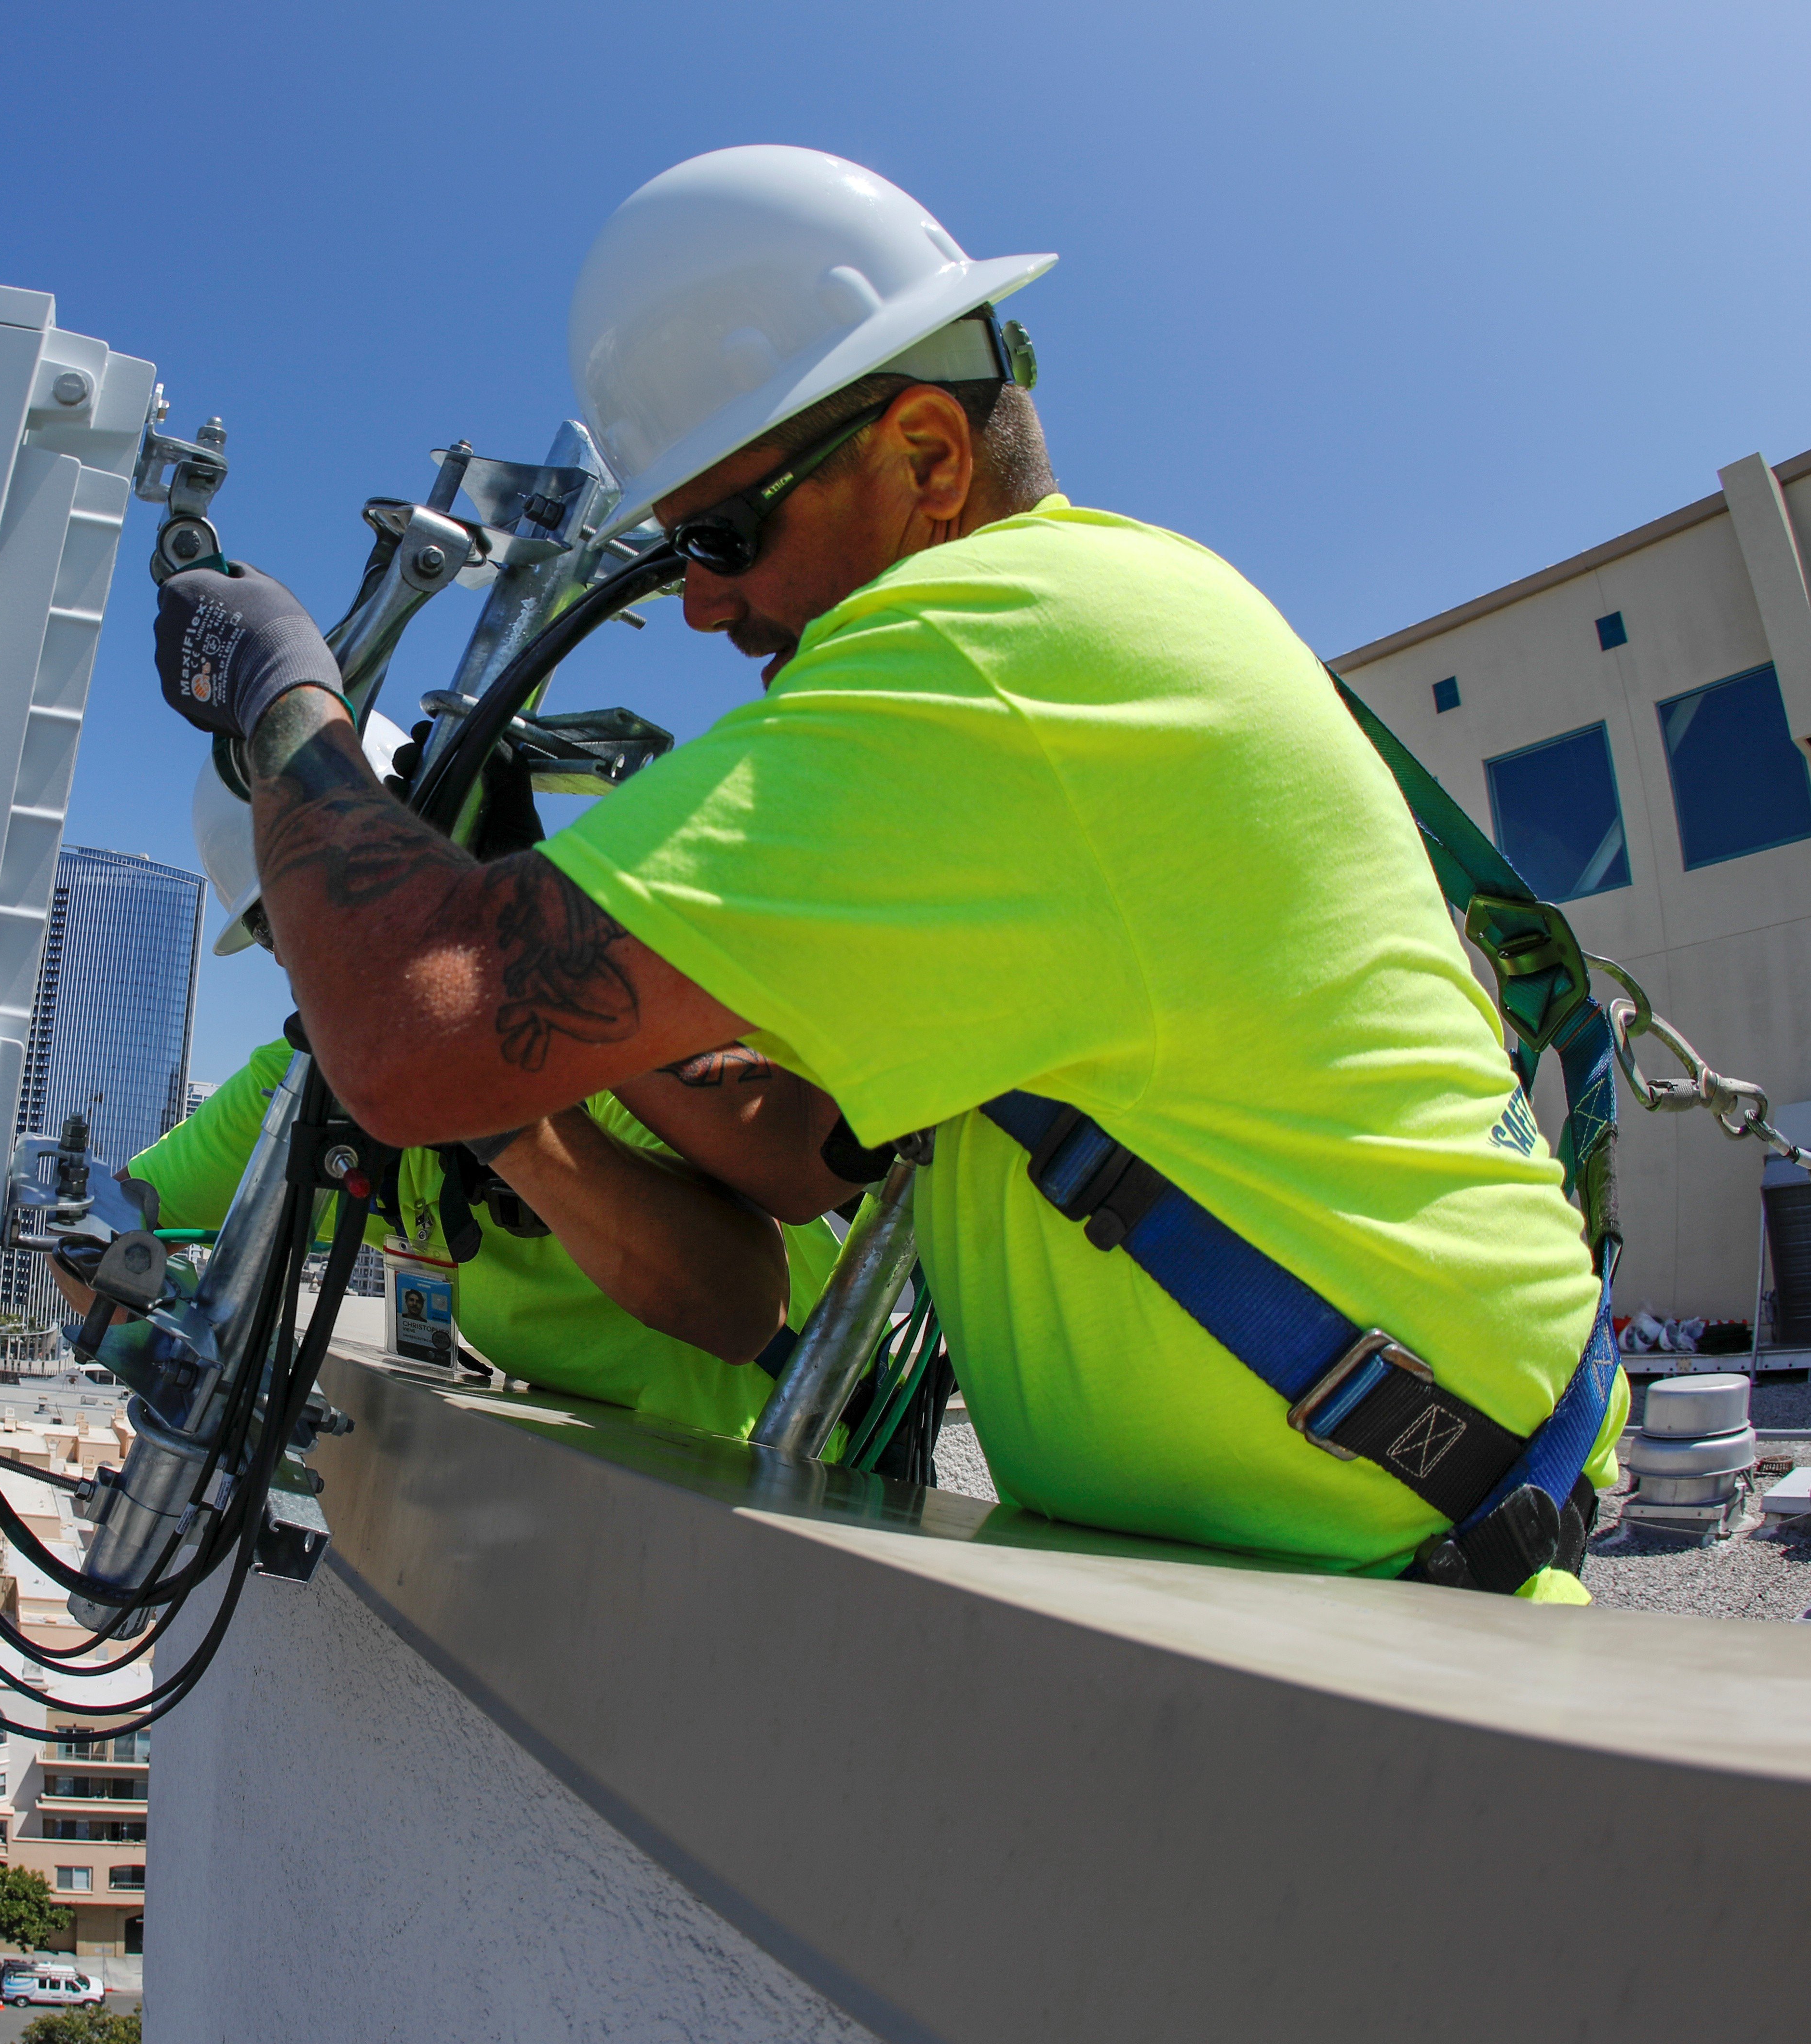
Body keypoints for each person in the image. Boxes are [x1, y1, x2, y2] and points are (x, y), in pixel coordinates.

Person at [144, 145, 1621, 1593]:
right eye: (674, 555)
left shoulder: (982, 657)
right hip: (1409, 1526)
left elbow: (410, 1033)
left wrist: (285, 699)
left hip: (1388, 1560)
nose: (705, 605)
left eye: (717, 535)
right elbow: (797, 1145)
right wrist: (588, 1012)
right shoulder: (1080, 626)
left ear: (926, 453)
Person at [61, 743, 868, 1450]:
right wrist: (181, 1365)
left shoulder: (597, 1036)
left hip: (782, 1467)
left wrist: (490, 1098)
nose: (309, 951)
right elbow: (99, 1231)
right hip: (600, 1490)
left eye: (338, 896)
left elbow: (736, 1309)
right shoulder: (308, 1077)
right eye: (280, 926)